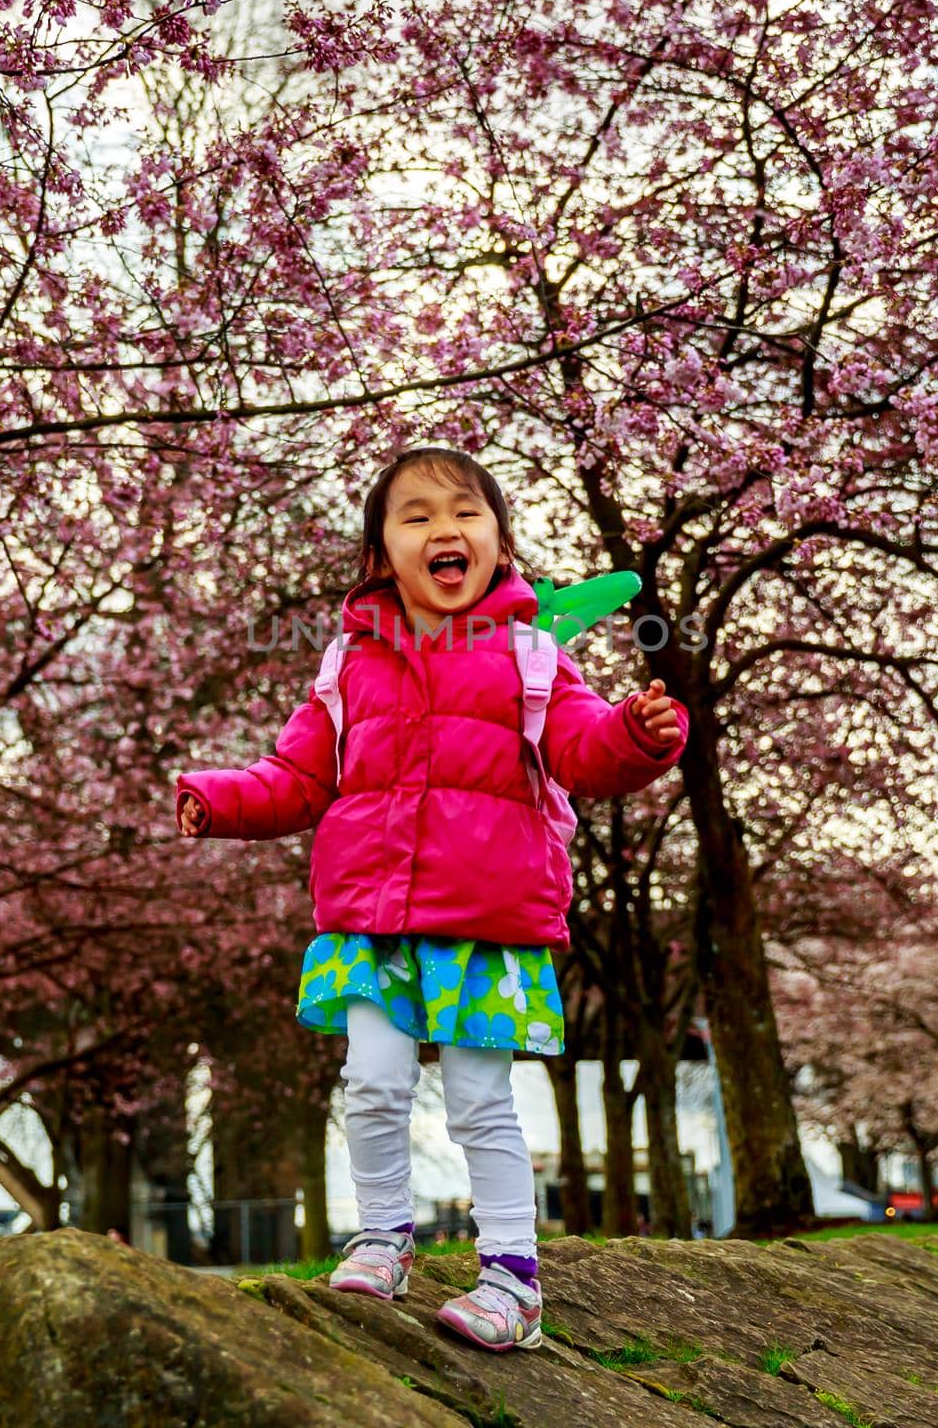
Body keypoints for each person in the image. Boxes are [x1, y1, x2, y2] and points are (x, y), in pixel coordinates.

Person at [175, 445, 688, 1354]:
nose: (443, 529)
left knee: (479, 1105)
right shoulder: (348, 665)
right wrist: (220, 796)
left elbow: (580, 749)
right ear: (381, 554)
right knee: (369, 1085)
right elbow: (297, 774)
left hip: (483, 922)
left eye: (465, 514)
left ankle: (513, 1280)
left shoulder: (531, 657)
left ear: (498, 543)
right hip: (371, 918)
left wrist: (637, 736)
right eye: (414, 517)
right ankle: (382, 1239)